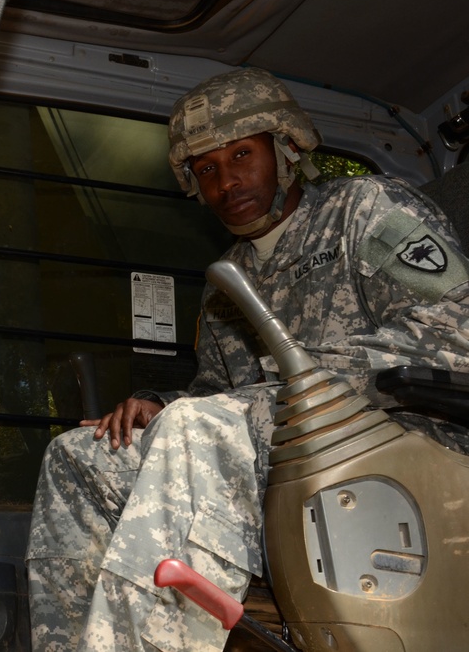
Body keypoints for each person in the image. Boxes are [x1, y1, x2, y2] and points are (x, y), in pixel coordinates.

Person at [25, 67, 469, 651]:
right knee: (81, 456)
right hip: (275, 463)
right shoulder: (226, 283)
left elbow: (453, 332)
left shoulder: (365, 208)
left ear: (285, 150)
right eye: (206, 169)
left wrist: (299, 380)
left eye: (241, 156)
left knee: (195, 428)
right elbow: (217, 393)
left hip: (398, 447)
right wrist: (158, 406)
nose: (226, 181)